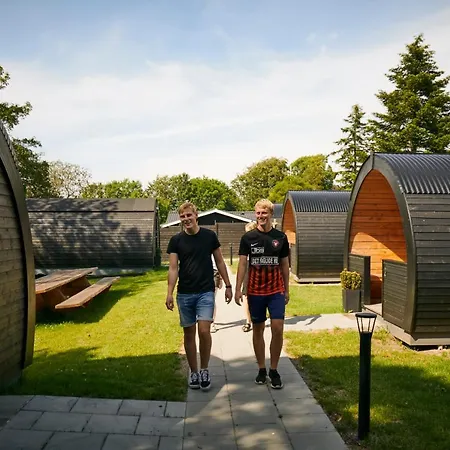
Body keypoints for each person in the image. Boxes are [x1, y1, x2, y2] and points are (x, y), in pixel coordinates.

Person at [165, 202, 232, 391]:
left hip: (205, 291)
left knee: (204, 330)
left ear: (196, 215)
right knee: (189, 333)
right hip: (185, 293)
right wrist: (169, 293)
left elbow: (220, 261)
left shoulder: (209, 236)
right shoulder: (176, 241)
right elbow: (173, 268)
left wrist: (228, 285)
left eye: (189, 215)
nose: (186, 219)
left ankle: (204, 369)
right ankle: (193, 372)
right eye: (182, 216)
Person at [234, 199, 290, 389]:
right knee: (258, 329)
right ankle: (261, 369)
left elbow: (285, 265)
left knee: (277, 328)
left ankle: (274, 370)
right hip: (255, 291)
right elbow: (242, 264)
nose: (261, 216)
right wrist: (238, 288)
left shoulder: (280, 237)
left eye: (264, 213)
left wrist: (287, 289)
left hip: (276, 290)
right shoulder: (248, 238)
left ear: (271, 214)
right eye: (258, 213)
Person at [241, 221, 257, 332]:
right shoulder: (245, 242)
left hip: (258, 267)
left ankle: (257, 319)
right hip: (248, 267)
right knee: (246, 295)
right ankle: (248, 321)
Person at [211, 255, 223, 333]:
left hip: (214, 272)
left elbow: (220, 261)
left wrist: (221, 278)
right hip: (201, 271)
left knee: (211, 299)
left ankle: (212, 322)